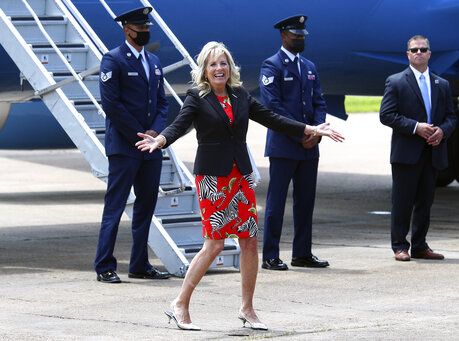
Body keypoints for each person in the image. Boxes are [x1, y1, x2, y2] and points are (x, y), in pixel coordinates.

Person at [136, 41, 343, 330]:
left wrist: (310, 129)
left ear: (230, 68)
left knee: (249, 242)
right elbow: (179, 125)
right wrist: (160, 140)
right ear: (205, 70)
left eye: (223, 63)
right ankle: (180, 304)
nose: (219, 68)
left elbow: (273, 119)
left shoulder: (240, 95)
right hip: (212, 179)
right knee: (215, 244)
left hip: (240, 177)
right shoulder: (197, 97)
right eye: (213, 64)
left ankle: (247, 309)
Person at [94, 6, 170, 283]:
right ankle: (104, 266)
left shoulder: (153, 61)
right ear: (127, 30)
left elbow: (162, 103)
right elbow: (111, 105)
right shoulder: (113, 60)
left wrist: (156, 132)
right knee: (114, 207)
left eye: (147, 29)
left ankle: (139, 264)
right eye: (140, 30)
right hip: (126, 146)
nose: (145, 33)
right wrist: (139, 134)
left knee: (146, 206)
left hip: (150, 147)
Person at [259, 15, 330, 271]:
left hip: (310, 146)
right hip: (285, 146)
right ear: (283, 36)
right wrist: (302, 133)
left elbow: (319, 102)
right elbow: (272, 107)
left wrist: (318, 131)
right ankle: (270, 255)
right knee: (276, 203)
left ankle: (302, 253)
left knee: (305, 202)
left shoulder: (309, 66)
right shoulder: (272, 66)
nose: (299, 39)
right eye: (295, 35)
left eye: (302, 36)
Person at [379, 35, 456, 261]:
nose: (419, 53)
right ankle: (400, 246)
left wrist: (442, 131)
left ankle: (420, 245)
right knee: (402, 201)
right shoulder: (396, 82)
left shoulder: (442, 84)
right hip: (406, 153)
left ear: (430, 54)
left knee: (425, 201)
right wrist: (415, 127)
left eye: (423, 49)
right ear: (408, 54)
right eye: (415, 50)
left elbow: (451, 117)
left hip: (432, 151)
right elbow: (386, 115)